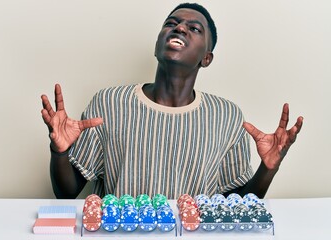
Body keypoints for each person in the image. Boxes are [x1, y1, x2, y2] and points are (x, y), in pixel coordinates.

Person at [41, 3, 303, 199]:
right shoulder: (108, 103)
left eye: (194, 28)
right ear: (157, 45)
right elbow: (66, 193)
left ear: (206, 58)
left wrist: (268, 168)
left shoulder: (226, 115)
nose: (179, 28)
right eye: (171, 23)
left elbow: (236, 205)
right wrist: (59, 151)